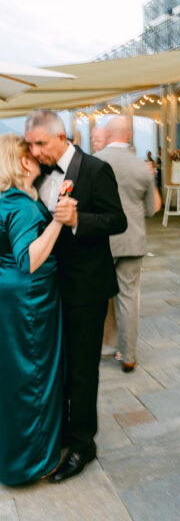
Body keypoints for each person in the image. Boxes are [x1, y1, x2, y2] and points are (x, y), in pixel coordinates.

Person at [25, 109, 127, 482]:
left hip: (87, 288)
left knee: (83, 369)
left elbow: (118, 220)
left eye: (40, 143)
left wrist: (79, 220)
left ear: (61, 137)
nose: (35, 152)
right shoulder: (37, 174)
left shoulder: (96, 170)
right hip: (49, 288)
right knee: (59, 364)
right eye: (30, 145)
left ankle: (84, 443)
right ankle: (64, 429)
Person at [0, 135, 73, 485]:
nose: (39, 159)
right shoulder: (21, 206)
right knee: (34, 376)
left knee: (13, 376)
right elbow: (28, 259)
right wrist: (58, 220)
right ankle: (33, 462)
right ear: (23, 162)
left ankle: (13, 453)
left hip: (11, 297)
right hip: (29, 302)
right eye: (32, 154)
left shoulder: (5, 200)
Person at [97, 116, 161, 372]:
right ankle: (129, 356)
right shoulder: (141, 167)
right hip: (133, 239)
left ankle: (101, 346)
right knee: (128, 299)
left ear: (108, 134)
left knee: (98, 296)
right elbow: (150, 210)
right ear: (130, 135)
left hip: (103, 240)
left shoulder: (95, 162)